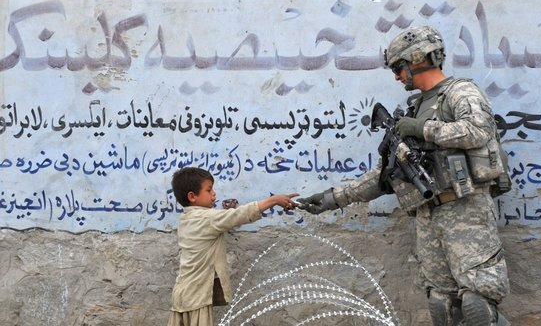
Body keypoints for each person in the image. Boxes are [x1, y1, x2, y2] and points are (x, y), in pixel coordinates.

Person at [297, 26, 510, 326]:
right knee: (442, 305)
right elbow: (386, 176)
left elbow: (479, 131)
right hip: (428, 216)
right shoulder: (415, 107)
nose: (397, 76)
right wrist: (332, 197)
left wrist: (422, 129)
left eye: (399, 67)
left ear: (418, 59)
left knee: (477, 305)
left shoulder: (460, 92)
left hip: (466, 211)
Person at [167, 167, 298, 326]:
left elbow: (220, 219)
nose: (214, 193)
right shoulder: (208, 218)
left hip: (182, 294)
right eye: (209, 190)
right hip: (196, 297)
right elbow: (239, 215)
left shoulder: (187, 217)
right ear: (192, 196)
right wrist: (274, 200)